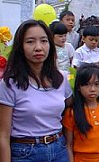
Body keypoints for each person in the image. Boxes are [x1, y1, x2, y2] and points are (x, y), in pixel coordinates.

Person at [0, 19, 73, 162]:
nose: (38, 47)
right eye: (30, 42)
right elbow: (3, 135)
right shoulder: (9, 84)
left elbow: (72, 107)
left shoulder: (61, 79)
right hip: (25, 152)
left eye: (44, 41)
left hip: (59, 148)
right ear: (20, 47)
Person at [62, 64, 99, 162]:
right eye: (87, 84)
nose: (92, 89)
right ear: (79, 87)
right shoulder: (72, 113)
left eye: (96, 84)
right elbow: (69, 145)